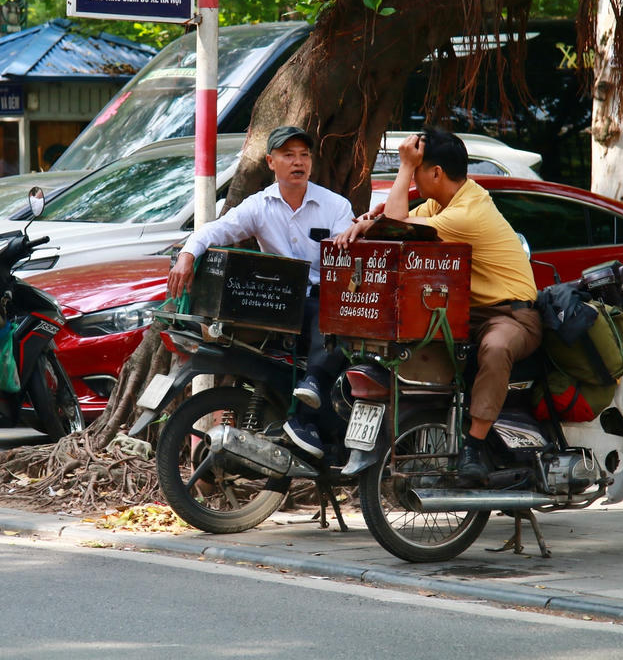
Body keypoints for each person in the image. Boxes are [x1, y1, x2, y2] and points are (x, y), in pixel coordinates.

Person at [336, 129, 541, 486]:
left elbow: (398, 226)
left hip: (512, 315)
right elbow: (393, 222)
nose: (412, 178)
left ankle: (474, 447)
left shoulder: (468, 213)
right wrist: (369, 222)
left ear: (436, 174)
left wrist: (402, 169)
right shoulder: (441, 204)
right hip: (469, 312)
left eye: (416, 171)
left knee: (495, 348)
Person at [167, 126, 355, 459]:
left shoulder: (335, 206)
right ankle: (306, 401)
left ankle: (312, 394)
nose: (298, 162)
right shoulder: (259, 206)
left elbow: (347, 256)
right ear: (271, 162)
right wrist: (187, 254)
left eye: (304, 155)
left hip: (326, 302)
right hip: (280, 305)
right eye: (288, 155)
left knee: (332, 305)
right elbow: (217, 229)